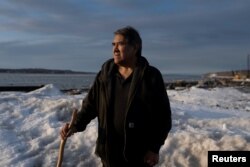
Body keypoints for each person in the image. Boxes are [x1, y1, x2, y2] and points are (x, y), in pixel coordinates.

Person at [60, 26, 172, 167]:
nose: (115, 49)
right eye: (113, 44)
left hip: (139, 156)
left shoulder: (150, 76)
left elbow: (163, 117)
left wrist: (154, 148)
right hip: (109, 154)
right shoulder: (105, 74)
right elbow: (90, 105)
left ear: (135, 47)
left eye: (121, 44)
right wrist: (75, 126)